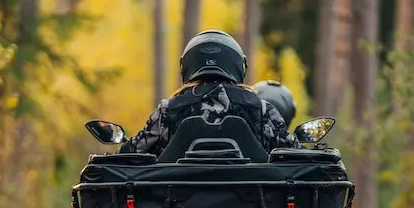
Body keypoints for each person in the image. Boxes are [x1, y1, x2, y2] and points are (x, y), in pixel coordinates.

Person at [120, 30, 300, 155]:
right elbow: (293, 153)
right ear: (238, 65)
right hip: (252, 206)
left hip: (176, 206)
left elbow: (132, 153)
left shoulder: (169, 109)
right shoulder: (260, 109)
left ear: (187, 65)